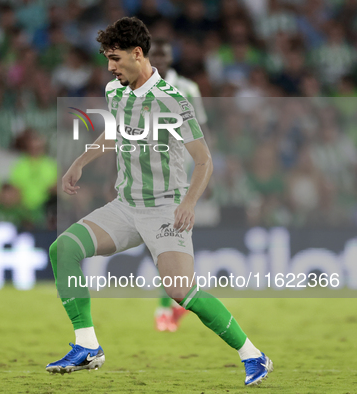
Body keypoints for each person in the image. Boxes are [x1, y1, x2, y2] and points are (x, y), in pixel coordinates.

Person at [46, 17, 273, 386]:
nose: (110, 67)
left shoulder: (172, 101)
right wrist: (79, 162)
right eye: (107, 58)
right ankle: (87, 345)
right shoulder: (115, 92)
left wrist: (188, 203)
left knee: (181, 291)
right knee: (64, 249)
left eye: (116, 58)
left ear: (138, 54)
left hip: (165, 209)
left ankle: (254, 356)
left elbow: (204, 160)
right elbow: (114, 131)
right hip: (125, 206)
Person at [148, 37, 208, 332]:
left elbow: (202, 132)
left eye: (163, 55)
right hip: (151, 178)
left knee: (168, 241)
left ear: (170, 58)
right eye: (154, 55)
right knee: (166, 242)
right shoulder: (134, 87)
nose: (159, 60)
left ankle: (166, 308)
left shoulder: (188, 89)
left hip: (181, 179)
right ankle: (177, 304)